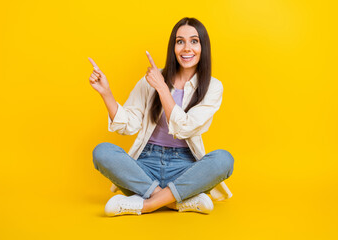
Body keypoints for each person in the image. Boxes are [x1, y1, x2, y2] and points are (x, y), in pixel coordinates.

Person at [88, 17, 234, 217]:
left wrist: (163, 88)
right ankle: (175, 201)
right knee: (102, 152)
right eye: (180, 41)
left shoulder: (213, 87)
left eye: (194, 41)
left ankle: (145, 204)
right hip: (146, 165)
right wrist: (106, 93)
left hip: (185, 167)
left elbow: (185, 127)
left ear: (203, 47)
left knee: (223, 160)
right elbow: (127, 125)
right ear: (173, 47)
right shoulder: (152, 79)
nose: (186, 48)